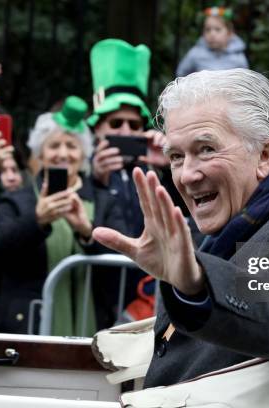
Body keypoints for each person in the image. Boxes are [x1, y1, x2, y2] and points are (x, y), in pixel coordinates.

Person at [93, 68, 269, 388]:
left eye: (206, 149)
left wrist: (196, 282)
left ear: (265, 155)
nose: (186, 175)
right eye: (177, 156)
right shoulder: (229, 229)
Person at [0, 96, 124, 335]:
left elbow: (125, 261)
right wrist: (36, 221)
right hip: (26, 325)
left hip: (93, 325)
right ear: (40, 154)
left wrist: (87, 233)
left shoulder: (104, 202)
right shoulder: (20, 199)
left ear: (83, 154)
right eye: (54, 146)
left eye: (71, 145)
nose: (63, 154)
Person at [87, 38, 181, 328]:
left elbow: (186, 221)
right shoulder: (79, 167)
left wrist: (171, 167)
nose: (126, 131)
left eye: (134, 124)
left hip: (151, 294)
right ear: (98, 127)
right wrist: (97, 182)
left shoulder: (154, 167)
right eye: (116, 124)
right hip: (99, 297)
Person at [175, 6, 249, 77]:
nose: (212, 34)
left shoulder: (238, 58)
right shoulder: (195, 54)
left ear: (229, 33)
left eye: (217, 29)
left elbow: (245, 82)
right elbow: (181, 75)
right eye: (208, 29)